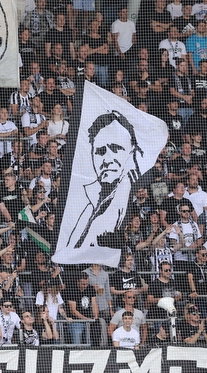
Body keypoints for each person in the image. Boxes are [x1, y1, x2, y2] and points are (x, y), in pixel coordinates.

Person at [56, 111, 147, 262]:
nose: (107, 159)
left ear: (132, 153)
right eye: (100, 151)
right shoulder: (84, 199)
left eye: (116, 148)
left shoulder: (127, 194)